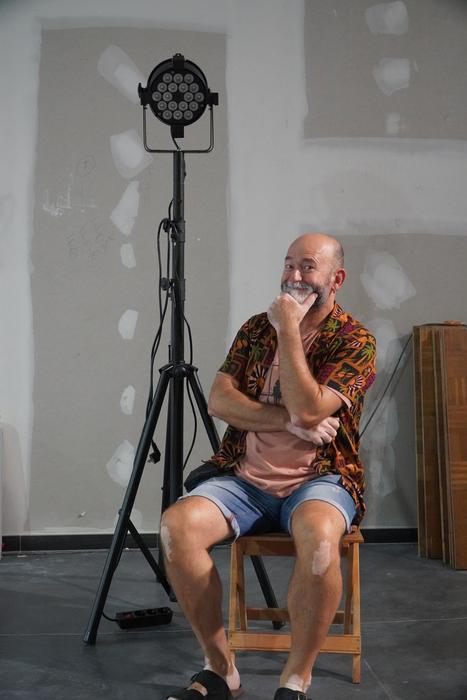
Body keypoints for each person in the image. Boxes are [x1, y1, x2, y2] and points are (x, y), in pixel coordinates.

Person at [160, 233, 376, 700]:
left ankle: (295, 679)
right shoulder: (257, 328)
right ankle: (220, 669)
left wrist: (289, 332)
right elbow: (220, 400)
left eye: (308, 266)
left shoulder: (355, 341)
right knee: (178, 527)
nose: (294, 276)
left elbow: (311, 406)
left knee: (321, 540)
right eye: (289, 264)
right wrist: (291, 423)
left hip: (320, 478)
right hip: (245, 477)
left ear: (336, 278)